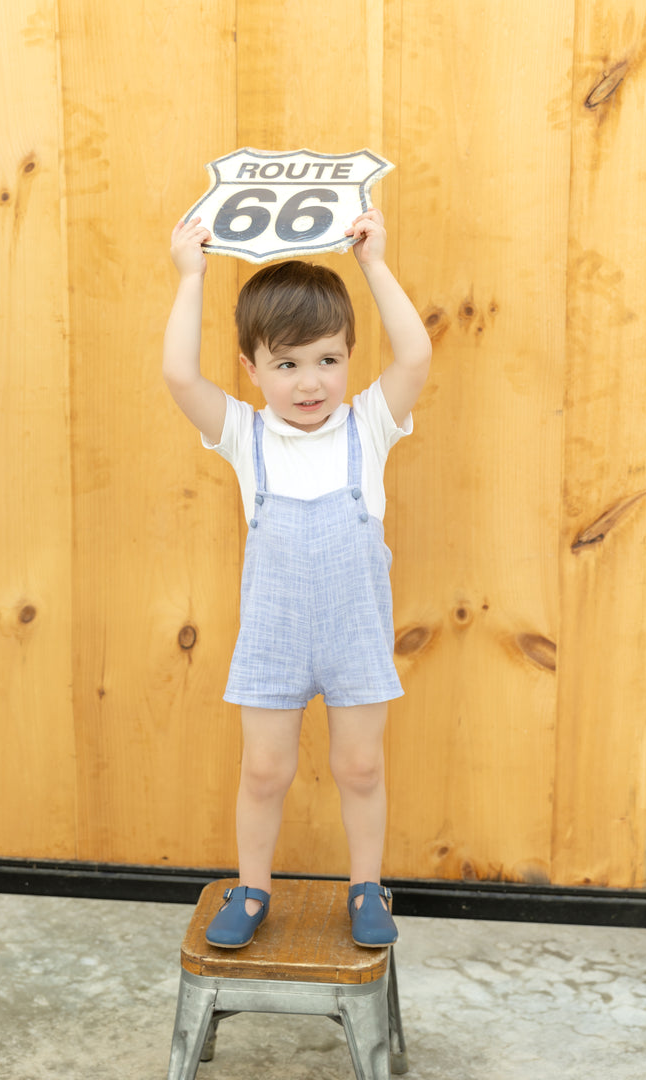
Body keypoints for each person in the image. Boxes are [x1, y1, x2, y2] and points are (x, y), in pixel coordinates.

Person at [163, 207, 432, 948]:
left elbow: (414, 357)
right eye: (286, 365)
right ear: (251, 370)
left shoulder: (370, 424)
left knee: (360, 767)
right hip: (275, 640)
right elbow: (179, 374)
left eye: (326, 360)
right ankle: (252, 889)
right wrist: (193, 276)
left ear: (348, 356)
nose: (310, 383)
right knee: (264, 773)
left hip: (355, 635)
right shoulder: (245, 435)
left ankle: (367, 887)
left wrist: (375, 264)